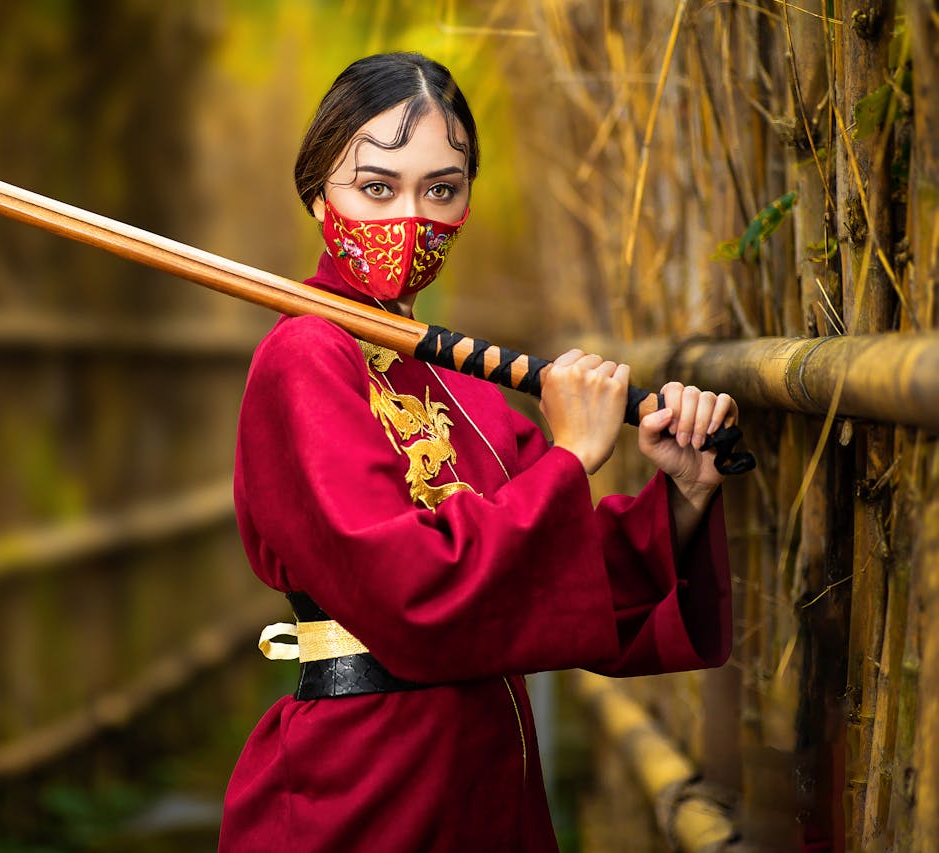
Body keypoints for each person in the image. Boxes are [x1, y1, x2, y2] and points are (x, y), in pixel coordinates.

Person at [220, 52, 736, 852]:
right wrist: (571, 457)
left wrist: (685, 494)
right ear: (320, 196)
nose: (411, 219)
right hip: (366, 784)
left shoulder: (461, 380)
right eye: (377, 187)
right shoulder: (305, 359)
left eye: (442, 189)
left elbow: (558, 577)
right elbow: (407, 591)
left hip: (490, 774)